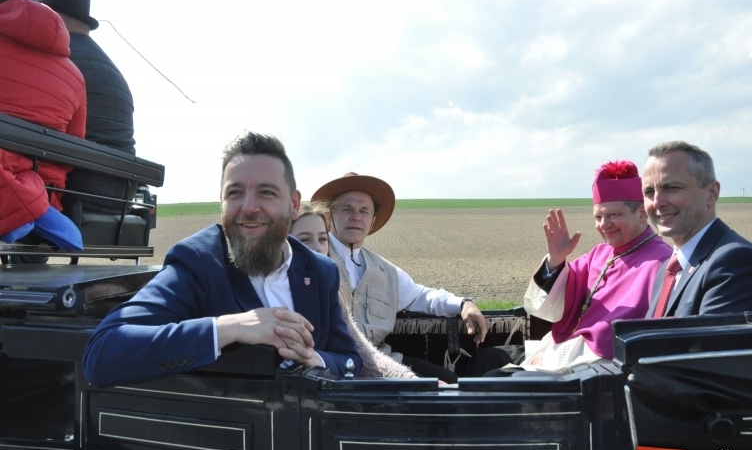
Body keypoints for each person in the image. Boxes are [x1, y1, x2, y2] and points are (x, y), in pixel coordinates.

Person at [83, 132, 361, 387]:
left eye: (266, 192)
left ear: (293, 205)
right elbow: (103, 353)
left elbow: (348, 358)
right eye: (235, 193)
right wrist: (230, 327)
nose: (249, 207)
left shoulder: (320, 270)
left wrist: (317, 360)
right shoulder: (198, 262)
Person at [468, 160, 672, 377]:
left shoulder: (662, 264)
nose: (604, 224)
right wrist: (556, 260)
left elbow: (617, 342)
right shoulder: (600, 253)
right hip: (566, 348)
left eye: (613, 215)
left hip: (595, 365)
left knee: (495, 379)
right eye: (598, 217)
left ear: (641, 213)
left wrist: (551, 357)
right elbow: (552, 306)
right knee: (484, 359)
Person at [311, 172, 487, 383]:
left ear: (372, 220)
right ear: (329, 217)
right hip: (333, 367)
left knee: (451, 381)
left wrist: (463, 304)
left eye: (364, 211)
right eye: (347, 209)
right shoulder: (313, 259)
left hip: (383, 359)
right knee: (433, 394)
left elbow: (421, 296)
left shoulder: (386, 271)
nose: (356, 216)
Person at [642, 141, 752, 318]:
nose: (657, 202)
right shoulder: (668, 269)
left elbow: (708, 345)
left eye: (671, 188)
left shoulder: (734, 262)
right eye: (649, 192)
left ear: (711, 193)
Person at [0, 0, 85, 251]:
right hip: (44, 182)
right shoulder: (75, 73)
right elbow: (73, 147)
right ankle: (34, 204)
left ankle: (20, 206)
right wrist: (48, 191)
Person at [39, 0, 137, 214]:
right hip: (120, 194)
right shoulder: (108, 65)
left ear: (52, 15)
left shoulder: (61, 58)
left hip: (79, 192)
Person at [290, 202, 417, 378]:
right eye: (304, 240)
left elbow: (357, 353)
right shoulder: (270, 290)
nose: (317, 248)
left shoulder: (330, 292)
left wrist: (409, 380)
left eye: (322, 239)